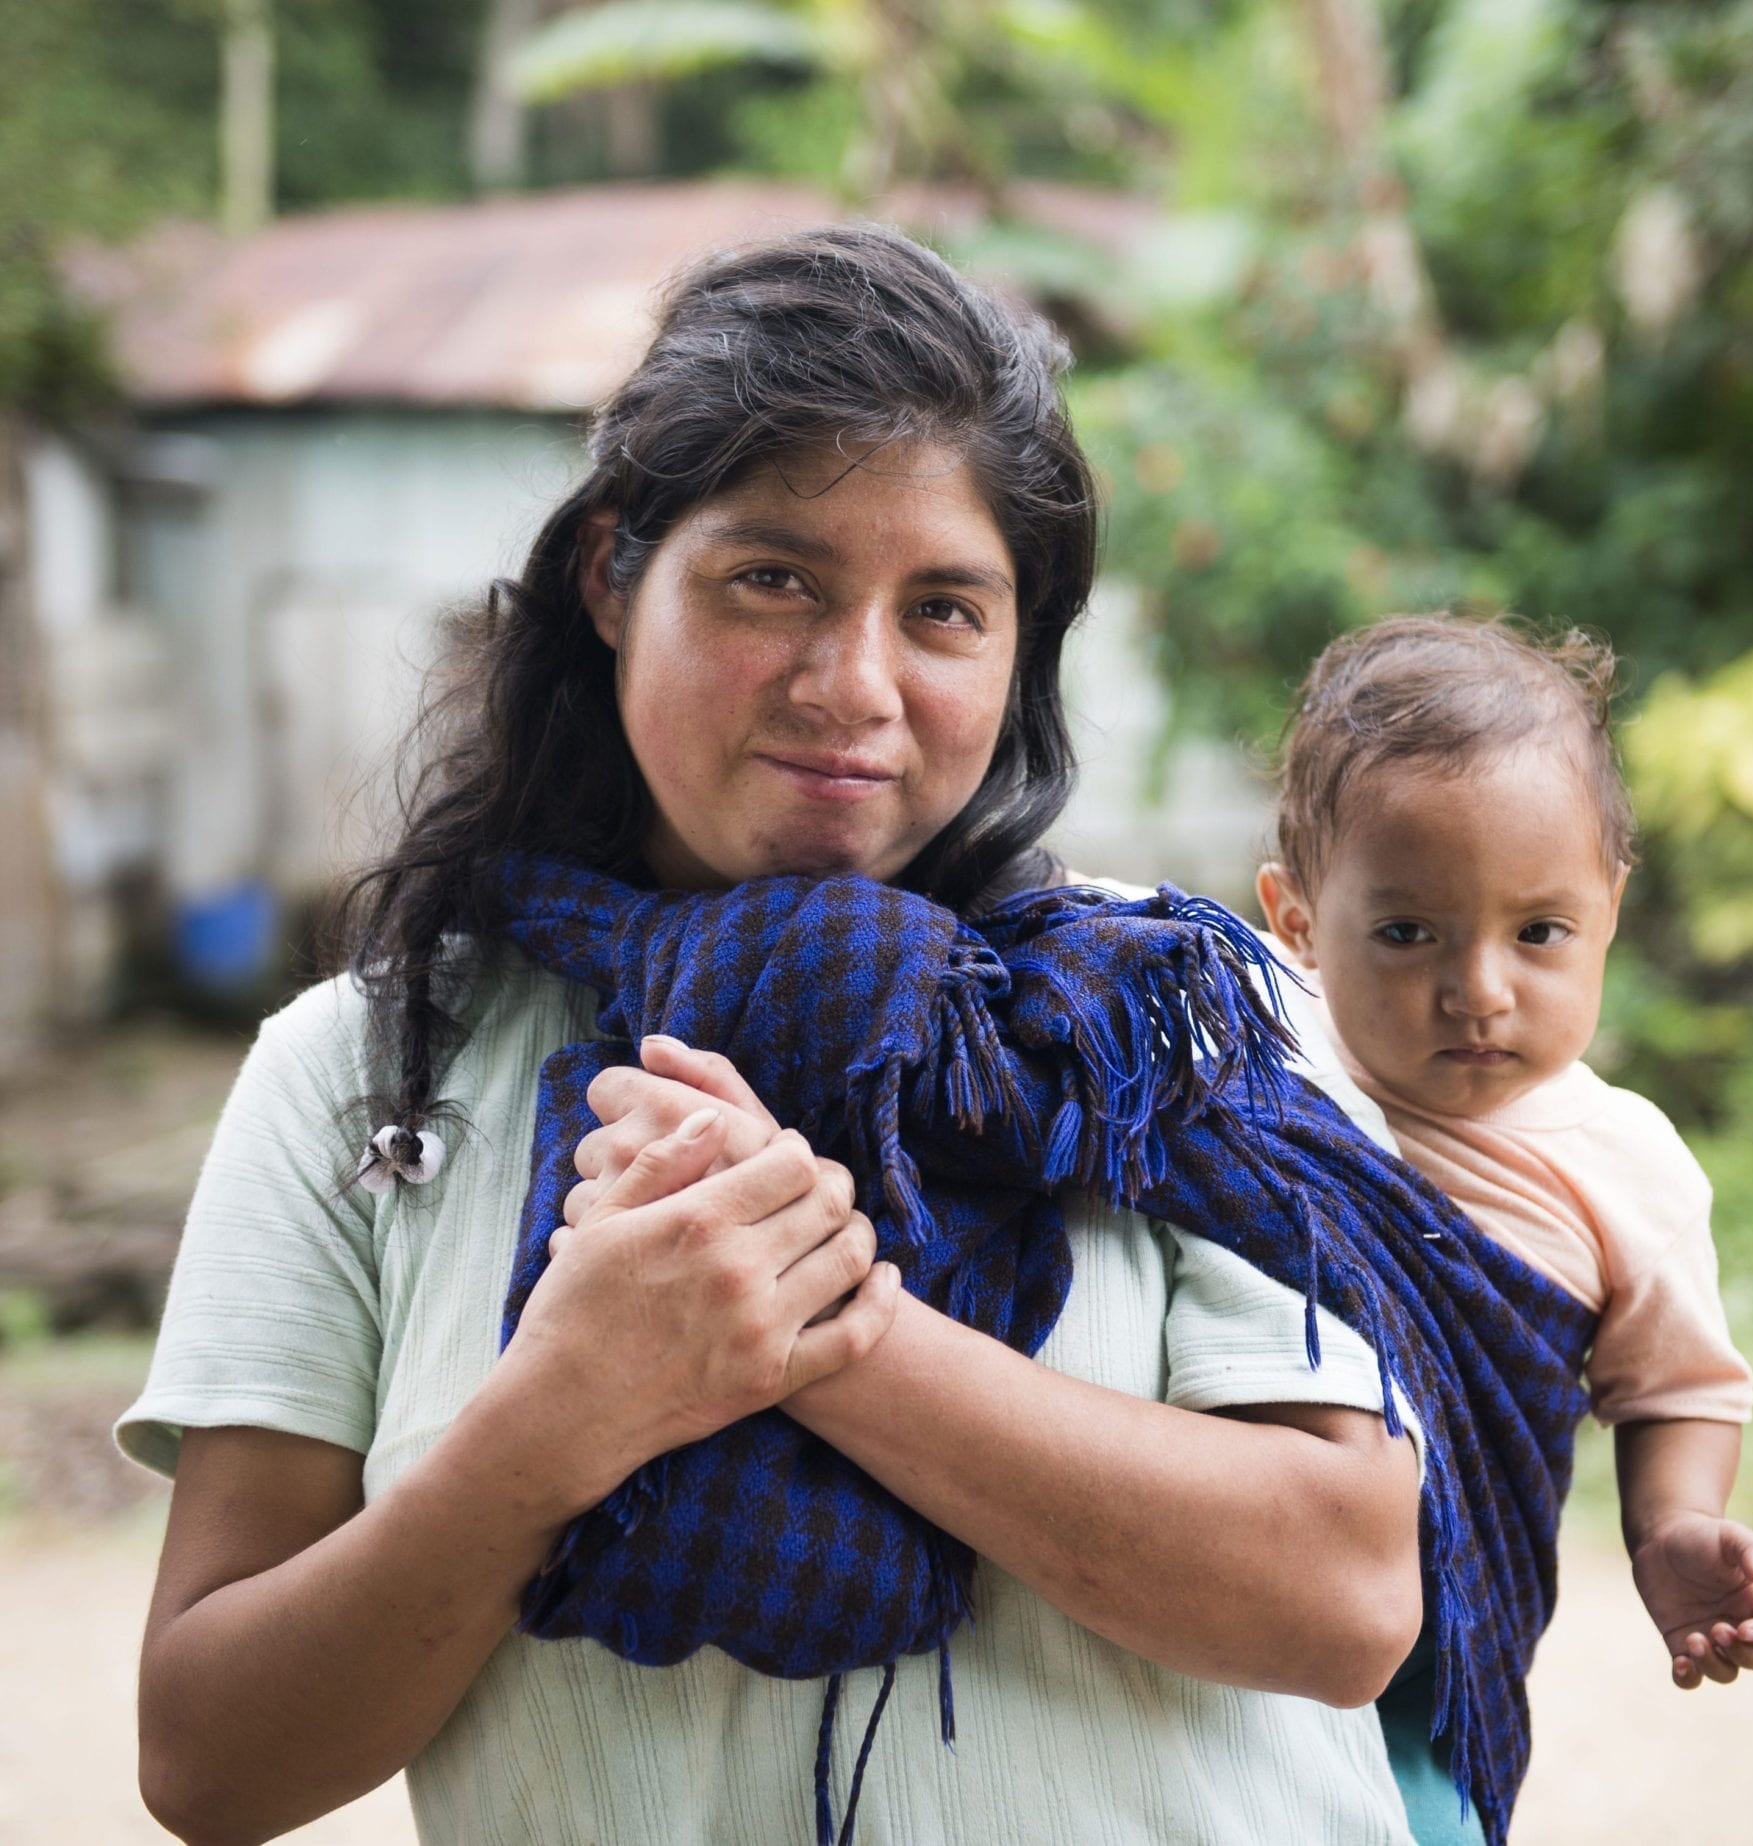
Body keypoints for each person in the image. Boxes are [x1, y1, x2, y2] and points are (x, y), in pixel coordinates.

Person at [117, 226, 1437, 1846]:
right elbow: (209, 1760)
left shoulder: (1168, 1022)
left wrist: (833, 1331)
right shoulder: (362, 1073)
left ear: (1021, 647)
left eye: (944, 609)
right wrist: (555, 1419)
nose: (851, 681)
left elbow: (1348, 1590)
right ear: (613, 574)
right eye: (775, 579)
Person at [1255, 614, 1753, 1843]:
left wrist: (1669, 1526)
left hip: (1434, 1650)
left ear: (1606, 907)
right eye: (1406, 934)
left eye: (1536, 931)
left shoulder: (1625, 1164)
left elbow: (1677, 1382)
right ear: (1293, 919)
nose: (1478, 989)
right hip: (1235, 1569)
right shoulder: (1262, 1061)